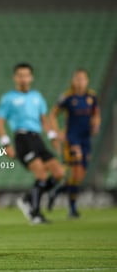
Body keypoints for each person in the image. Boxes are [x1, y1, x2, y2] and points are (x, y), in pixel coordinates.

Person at [0, 62, 65, 224]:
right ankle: (35, 213)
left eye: (26, 75)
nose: (23, 79)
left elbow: (44, 120)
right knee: (41, 174)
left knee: (59, 173)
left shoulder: (37, 97)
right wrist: (5, 144)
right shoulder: (9, 98)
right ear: (15, 78)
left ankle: (28, 198)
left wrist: (53, 136)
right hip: (22, 139)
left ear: (31, 77)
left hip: (37, 138)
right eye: (20, 75)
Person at [48, 69, 101, 218]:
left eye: (82, 79)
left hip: (86, 139)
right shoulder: (67, 97)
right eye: (77, 79)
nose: (80, 82)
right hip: (72, 138)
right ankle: (72, 210)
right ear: (73, 80)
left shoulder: (92, 97)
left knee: (79, 176)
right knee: (76, 171)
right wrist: (57, 132)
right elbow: (53, 114)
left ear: (87, 80)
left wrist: (96, 124)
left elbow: (97, 114)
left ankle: (56, 192)